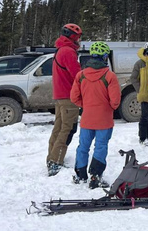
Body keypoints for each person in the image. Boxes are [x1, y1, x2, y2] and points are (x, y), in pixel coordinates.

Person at [70, 42, 121, 189]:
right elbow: (115, 101)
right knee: (101, 146)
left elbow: (74, 97)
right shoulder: (110, 76)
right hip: (104, 120)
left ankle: (80, 175)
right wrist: (107, 108)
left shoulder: (81, 75)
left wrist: (85, 105)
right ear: (105, 57)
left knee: (83, 147)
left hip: (87, 118)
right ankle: (95, 176)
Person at [46, 23, 83, 176]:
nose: (79, 41)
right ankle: (55, 161)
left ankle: (52, 157)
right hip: (69, 96)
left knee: (59, 127)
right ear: (73, 37)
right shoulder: (68, 52)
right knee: (67, 129)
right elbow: (77, 74)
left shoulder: (60, 50)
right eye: (78, 37)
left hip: (61, 95)